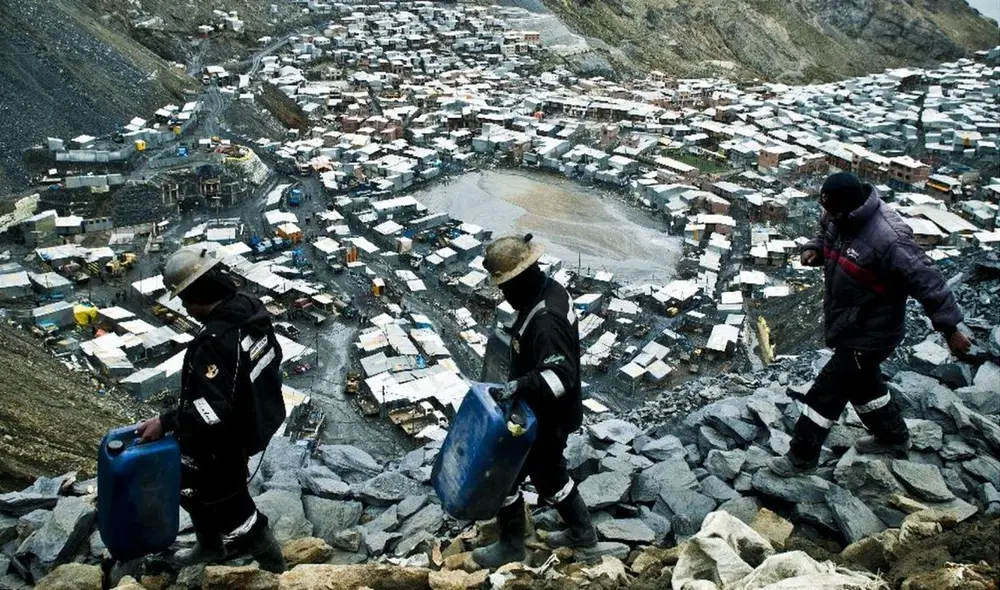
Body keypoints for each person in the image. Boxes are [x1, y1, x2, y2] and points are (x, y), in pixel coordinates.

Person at [768, 172, 971, 477]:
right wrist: (816, 250)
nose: (830, 217)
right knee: (864, 386)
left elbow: (929, 284)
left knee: (827, 392)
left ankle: (800, 458)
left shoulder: (890, 238)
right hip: (849, 322)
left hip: (873, 332)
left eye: (835, 213)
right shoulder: (839, 214)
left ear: (851, 207)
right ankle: (893, 437)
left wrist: (951, 330)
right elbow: (827, 234)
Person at [137, 244, 287, 572]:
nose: (185, 306)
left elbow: (212, 412)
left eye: (184, 298)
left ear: (197, 292)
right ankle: (208, 547)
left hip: (223, 443)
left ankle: (277, 569)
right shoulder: (249, 309)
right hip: (253, 419)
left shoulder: (216, 343)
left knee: (234, 510)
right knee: (188, 486)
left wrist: (167, 421)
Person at [472, 234, 597, 569]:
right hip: (550, 412)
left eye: (506, 286)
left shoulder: (545, 320)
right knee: (550, 475)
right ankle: (582, 534)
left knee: (505, 478)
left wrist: (520, 384)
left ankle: (512, 545)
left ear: (522, 278)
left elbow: (560, 378)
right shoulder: (549, 289)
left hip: (546, 415)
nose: (504, 293)